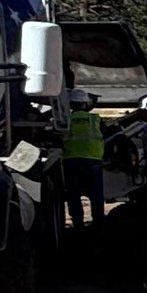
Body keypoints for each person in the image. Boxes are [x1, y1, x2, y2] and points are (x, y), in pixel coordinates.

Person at [59, 88, 107, 228]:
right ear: (86, 104)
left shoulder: (66, 120)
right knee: (96, 193)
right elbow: (105, 134)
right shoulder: (95, 119)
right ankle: (98, 221)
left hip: (71, 159)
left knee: (73, 194)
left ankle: (78, 222)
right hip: (93, 160)